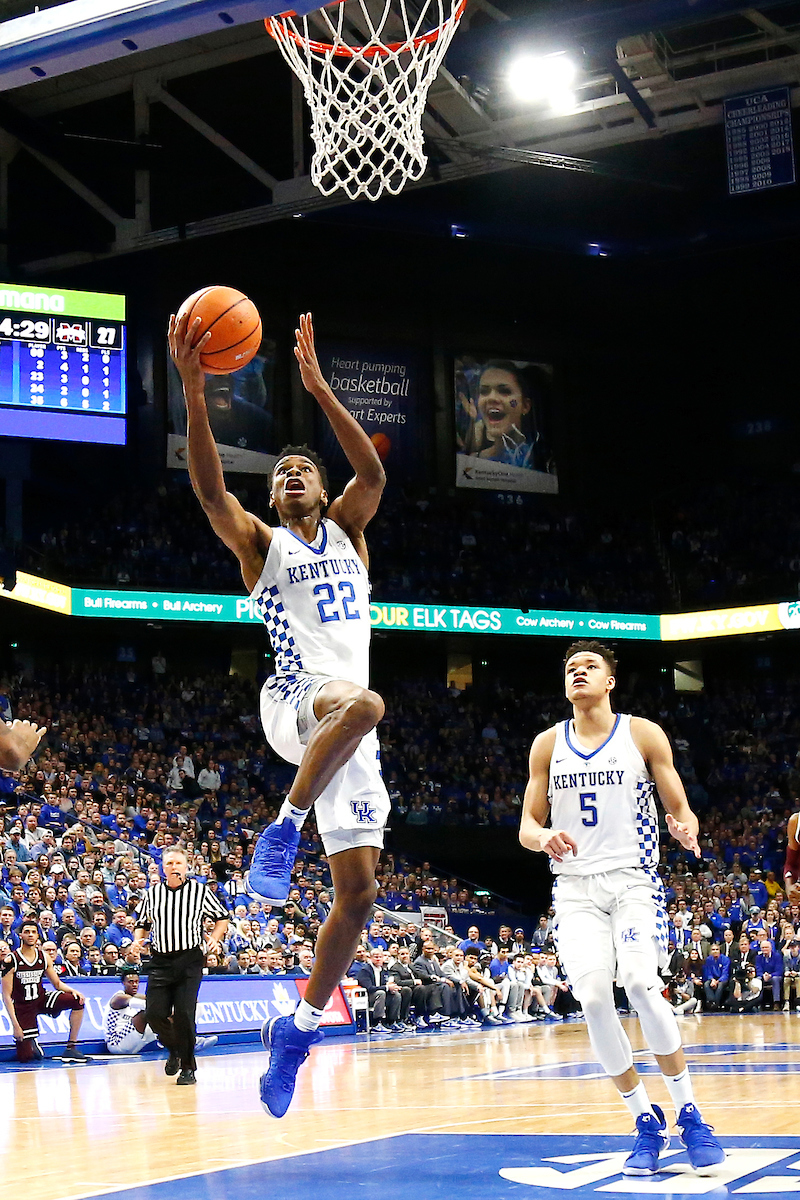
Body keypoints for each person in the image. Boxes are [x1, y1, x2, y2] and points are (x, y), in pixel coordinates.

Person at [169, 309, 388, 1118]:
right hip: (296, 702)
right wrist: (195, 393)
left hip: (345, 738)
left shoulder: (350, 533)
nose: (293, 474)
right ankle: (283, 828)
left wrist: (322, 391)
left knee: (359, 895)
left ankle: (295, 1030)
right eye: (283, 470)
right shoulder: (264, 546)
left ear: (324, 490)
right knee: (365, 700)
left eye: (304, 469)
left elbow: (374, 476)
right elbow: (207, 489)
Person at [519, 641, 724, 1175]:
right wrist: (544, 839)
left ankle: (690, 1113)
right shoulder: (547, 744)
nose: (578, 673)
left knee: (638, 983)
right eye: (570, 668)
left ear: (610, 680)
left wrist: (683, 828)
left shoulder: (641, 733)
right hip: (574, 889)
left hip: (633, 882)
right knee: (590, 996)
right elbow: (526, 827)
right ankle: (645, 1119)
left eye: (589, 666)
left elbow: (680, 808)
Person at [132, 846, 228, 1085]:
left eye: (178, 863)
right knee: (154, 1014)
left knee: (185, 1014)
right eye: (169, 864)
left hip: (189, 959)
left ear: (186, 867)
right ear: (163, 869)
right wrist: (137, 940)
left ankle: (188, 1067)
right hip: (160, 960)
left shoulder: (199, 891)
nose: (173, 867)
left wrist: (215, 938)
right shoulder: (152, 894)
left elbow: (222, 916)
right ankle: (175, 1049)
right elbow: (141, 922)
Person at [1, 917, 87, 1061]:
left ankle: (71, 1047)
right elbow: (6, 996)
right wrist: (15, 1026)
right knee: (26, 1057)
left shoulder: (44, 957)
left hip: (41, 998)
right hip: (23, 1006)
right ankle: (30, 1041)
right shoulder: (11, 960)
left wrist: (73, 991)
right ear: (20, 935)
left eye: (33, 932)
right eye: (26, 932)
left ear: (37, 935)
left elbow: (57, 984)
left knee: (77, 1001)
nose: (30, 935)